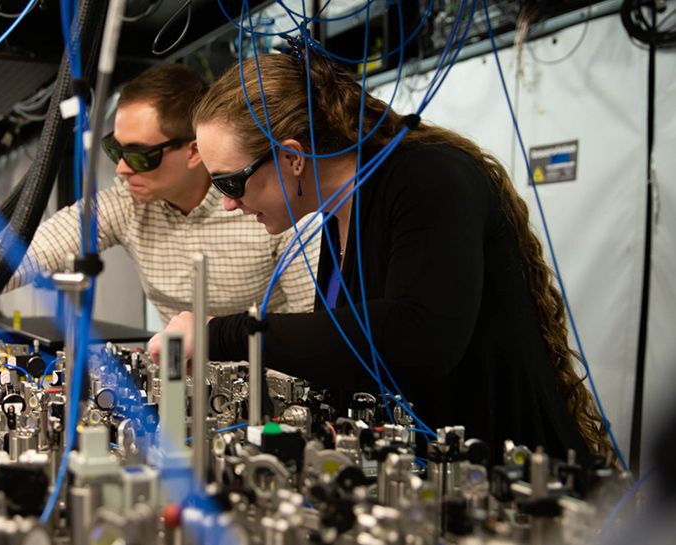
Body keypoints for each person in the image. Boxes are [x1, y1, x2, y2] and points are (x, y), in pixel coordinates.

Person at [151, 51, 613, 464]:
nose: (228, 203)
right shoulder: (337, 216)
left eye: (230, 183)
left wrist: (225, 332)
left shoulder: (430, 177)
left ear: (292, 156)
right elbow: (351, 348)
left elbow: (419, 334)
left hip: (507, 473)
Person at [0, 63, 320, 363]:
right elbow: (23, 251)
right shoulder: (126, 202)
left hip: (265, 391)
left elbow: (313, 324)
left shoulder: (268, 205)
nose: (120, 167)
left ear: (195, 151)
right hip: (181, 381)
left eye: (139, 154)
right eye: (115, 148)